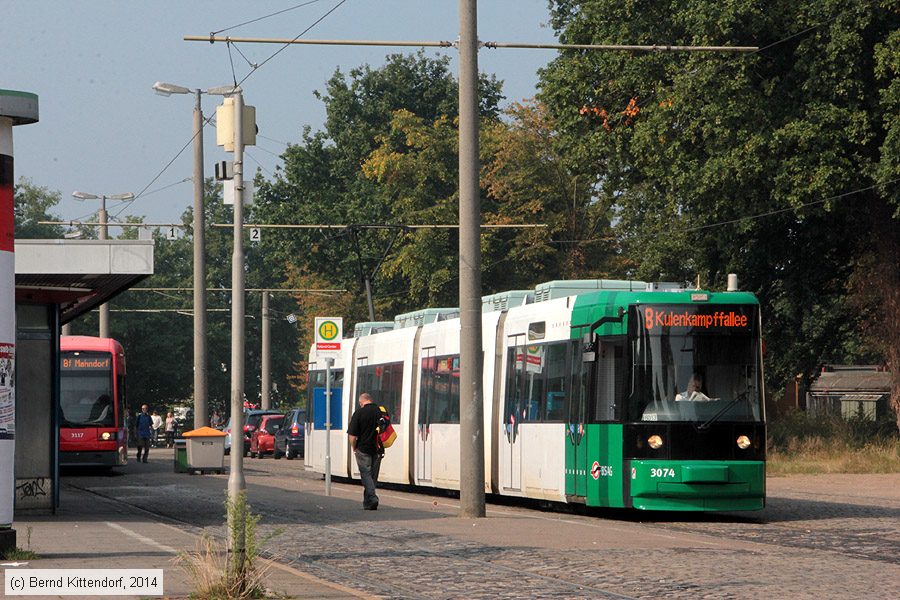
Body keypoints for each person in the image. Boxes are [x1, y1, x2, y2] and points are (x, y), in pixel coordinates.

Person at [347, 392, 383, 510]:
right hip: (377, 448)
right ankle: (368, 503)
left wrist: (354, 448)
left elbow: (352, 436)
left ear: (361, 402)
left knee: (366, 474)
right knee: (372, 476)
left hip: (363, 448)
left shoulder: (359, 413)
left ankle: (372, 498)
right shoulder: (380, 411)